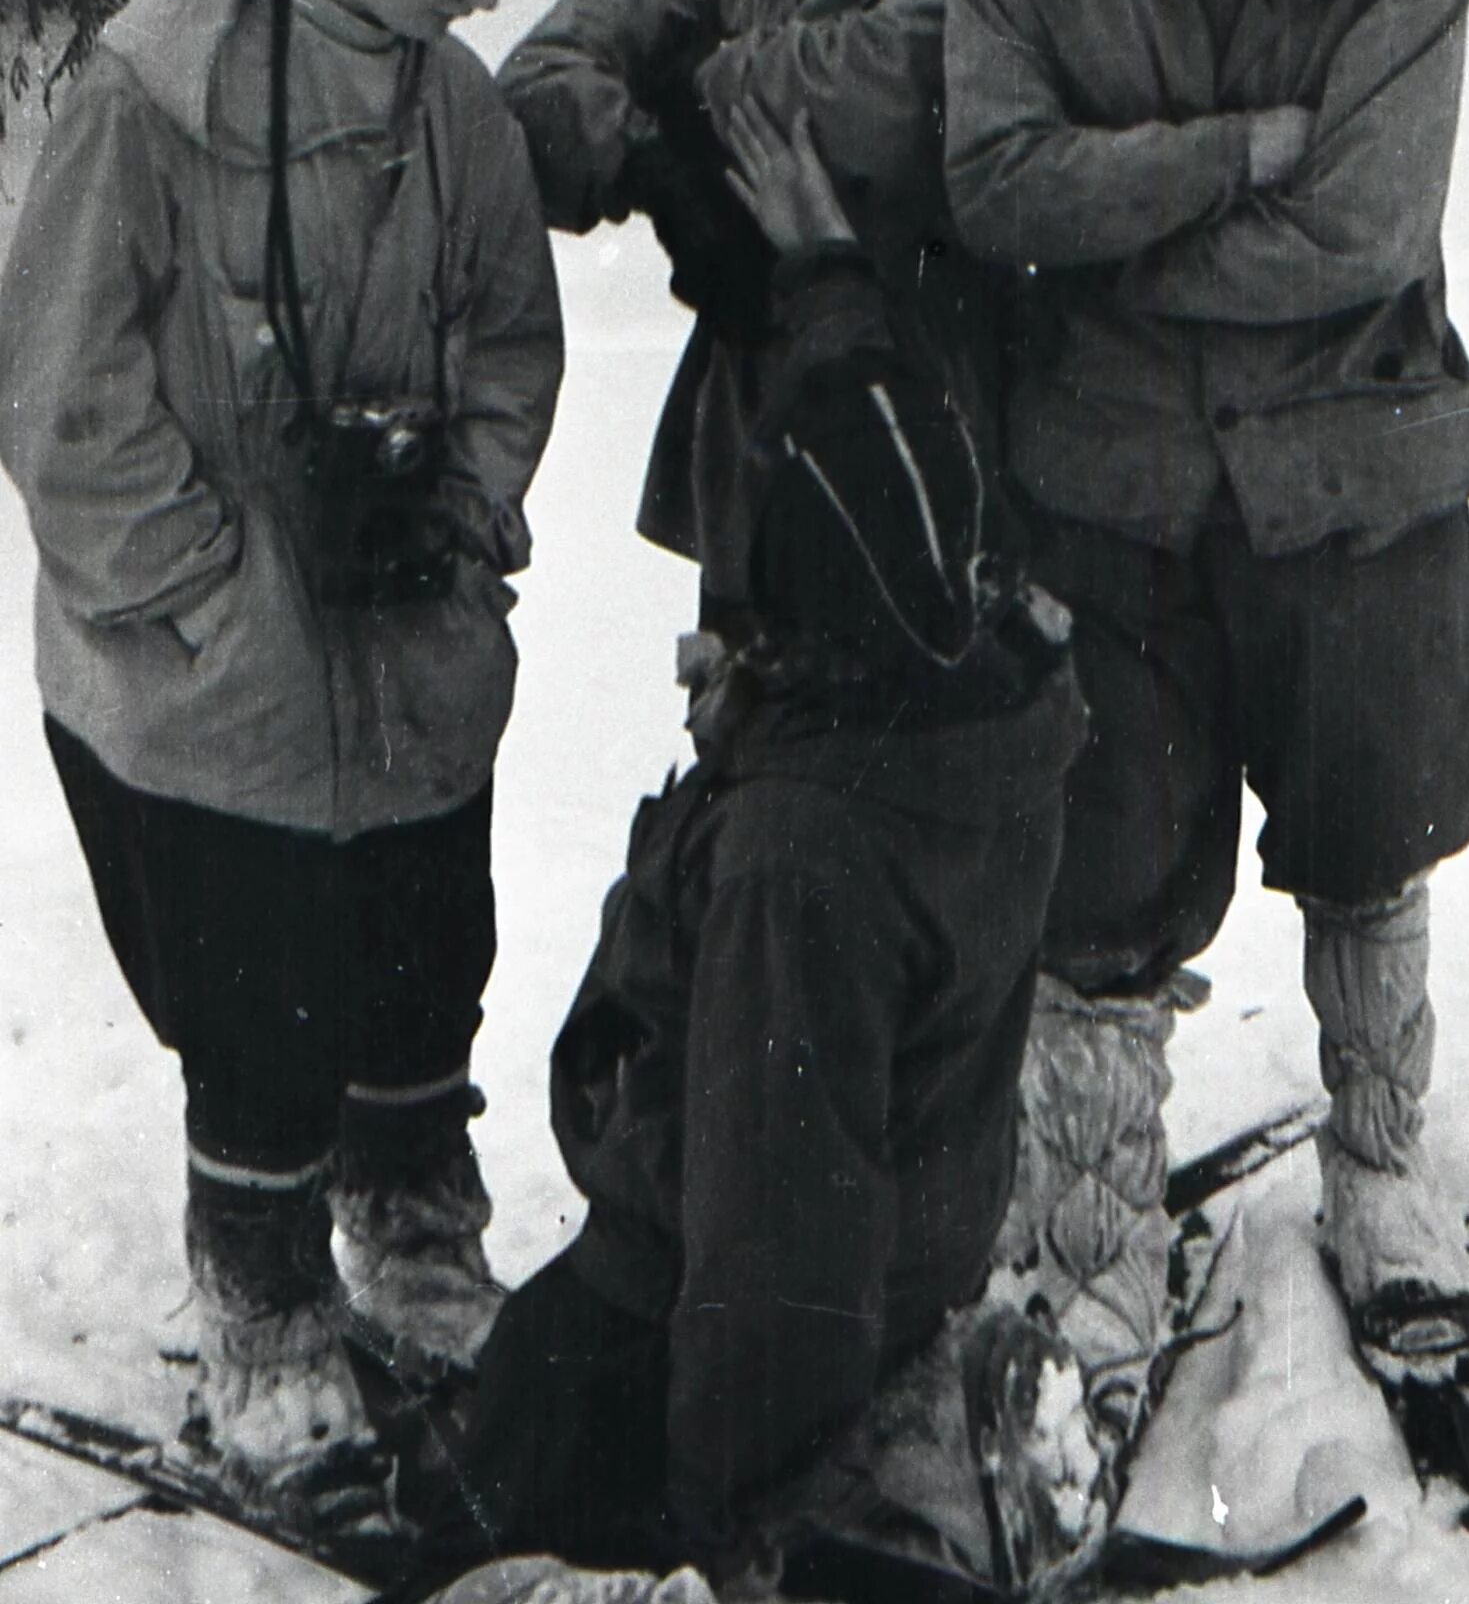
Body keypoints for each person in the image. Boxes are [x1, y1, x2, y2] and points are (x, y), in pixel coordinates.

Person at [943, 0, 1469, 1362]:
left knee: (1371, 828)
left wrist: (1115, 242)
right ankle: (1094, 1230)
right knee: (1095, 877)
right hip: (1102, 488)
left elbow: (1355, 227)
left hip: (1351, 469)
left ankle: (1384, 1168)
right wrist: (1219, 154)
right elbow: (995, 187)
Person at [0, 0, 564, 1502]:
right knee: (256, 1003)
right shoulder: (155, 92)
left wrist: (460, 511)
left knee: (419, 947)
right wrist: (204, 591)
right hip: (209, 664)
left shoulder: (449, 101)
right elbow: (63, 384)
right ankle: (261, 1314)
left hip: (407, 642)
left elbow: (505, 336)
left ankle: (411, 1236)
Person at [426, 99, 1085, 1585]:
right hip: (905, 1240)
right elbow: (876, 427)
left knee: (500, 1459)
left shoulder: (810, 852)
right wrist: (826, 271)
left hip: (723, 1292)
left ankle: (817, 1516)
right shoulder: (981, 680)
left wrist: (743, 1533)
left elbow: (776, 1239)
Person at [495, 0, 1028, 629]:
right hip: (763, 415)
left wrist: (673, 93)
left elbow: (873, 100)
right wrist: (655, 160)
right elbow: (534, 81)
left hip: (959, 405)